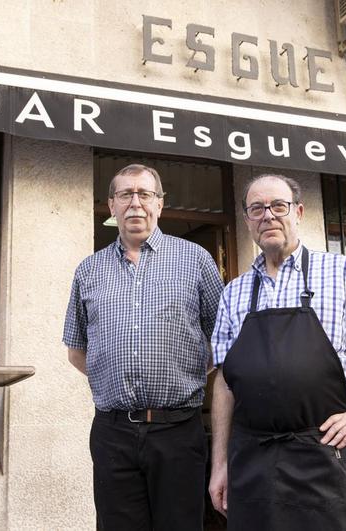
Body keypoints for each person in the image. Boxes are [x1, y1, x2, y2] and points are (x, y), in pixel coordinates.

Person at [208, 173, 346, 530]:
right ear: (247, 221)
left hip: (320, 455)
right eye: (256, 209)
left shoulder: (343, 273)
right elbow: (225, 384)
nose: (268, 216)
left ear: (299, 212)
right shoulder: (234, 292)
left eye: (278, 206)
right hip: (250, 459)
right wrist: (220, 463)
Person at [63, 163, 224, 531]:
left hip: (178, 430)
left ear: (160, 204)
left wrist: (186, 374)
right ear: (112, 204)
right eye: (125, 194)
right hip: (113, 432)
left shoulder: (195, 260)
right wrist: (113, 377)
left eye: (145, 194)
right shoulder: (89, 270)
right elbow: (76, 349)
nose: (136, 203)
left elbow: (224, 339)